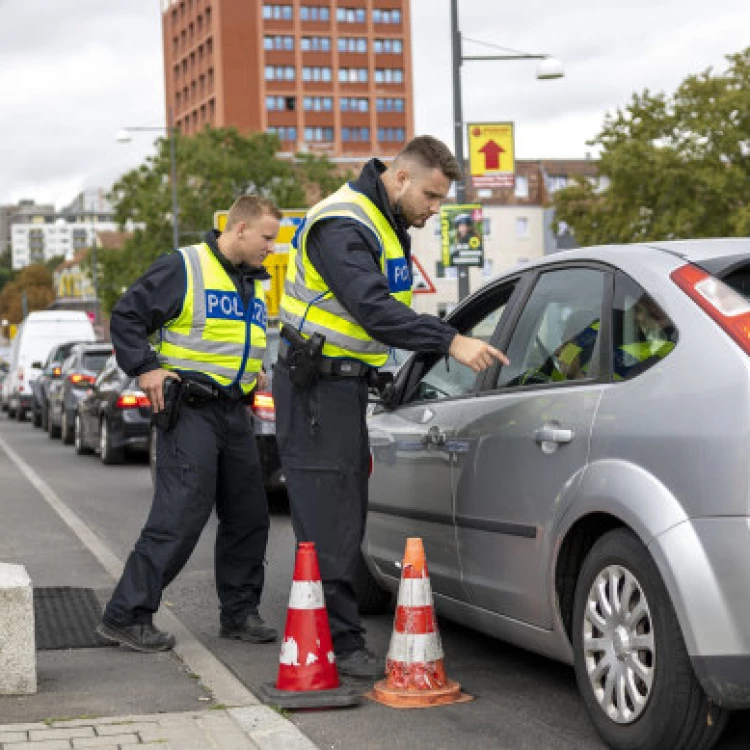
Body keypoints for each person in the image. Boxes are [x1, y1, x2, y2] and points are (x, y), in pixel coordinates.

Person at [274, 135, 509, 678]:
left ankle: (334, 636)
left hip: (344, 384)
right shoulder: (343, 223)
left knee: (343, 510)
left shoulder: (383, 222)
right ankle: (336, 644)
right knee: (328, 518)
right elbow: (373, 309)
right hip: (314, 388)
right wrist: (450, 341)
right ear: (400, 179)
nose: (435, 209)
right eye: (431, 196)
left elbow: (373, 320)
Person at [96, 196, 281, 653]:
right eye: (267, 237)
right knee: (179, 515)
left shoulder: (251, 282)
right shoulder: (185, 266)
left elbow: (233, 339)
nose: (271, 248)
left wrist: (249, 367)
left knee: (249, 516)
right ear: (239, 229)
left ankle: (239, 613)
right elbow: (127, 317)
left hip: (234, 411)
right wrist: (145, 366)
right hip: (190, 411)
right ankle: (126, 614)